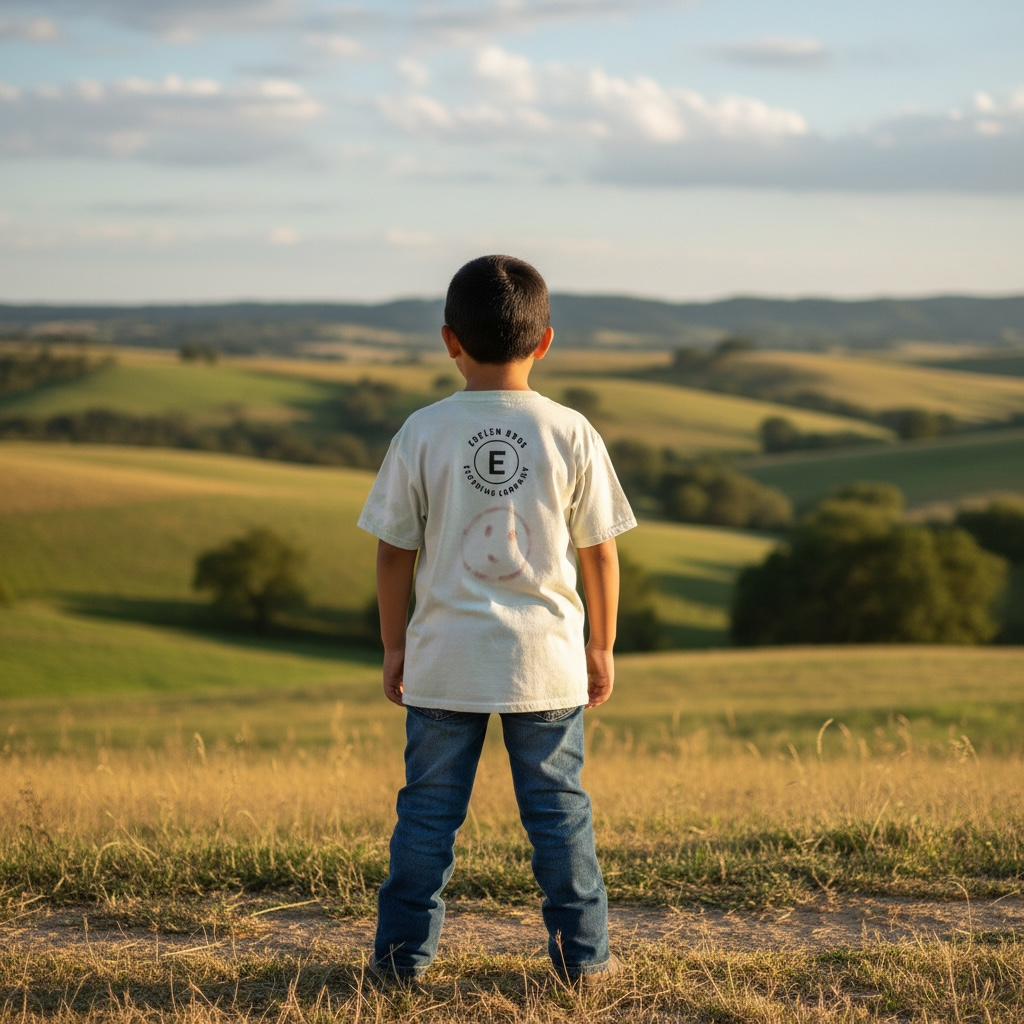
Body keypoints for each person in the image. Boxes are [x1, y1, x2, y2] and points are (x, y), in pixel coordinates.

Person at [357, 254, 636, 985]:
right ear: (545, 342)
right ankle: (586, 964)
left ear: (450, 340)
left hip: (443, 658)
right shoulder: (572, 431)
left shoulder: (422, 430)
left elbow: (393, 553)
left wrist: (394, 646)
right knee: (559, 818)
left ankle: (397, 966)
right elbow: (601, 555)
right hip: (545, 663)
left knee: (425, 818)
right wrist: (600, 647)